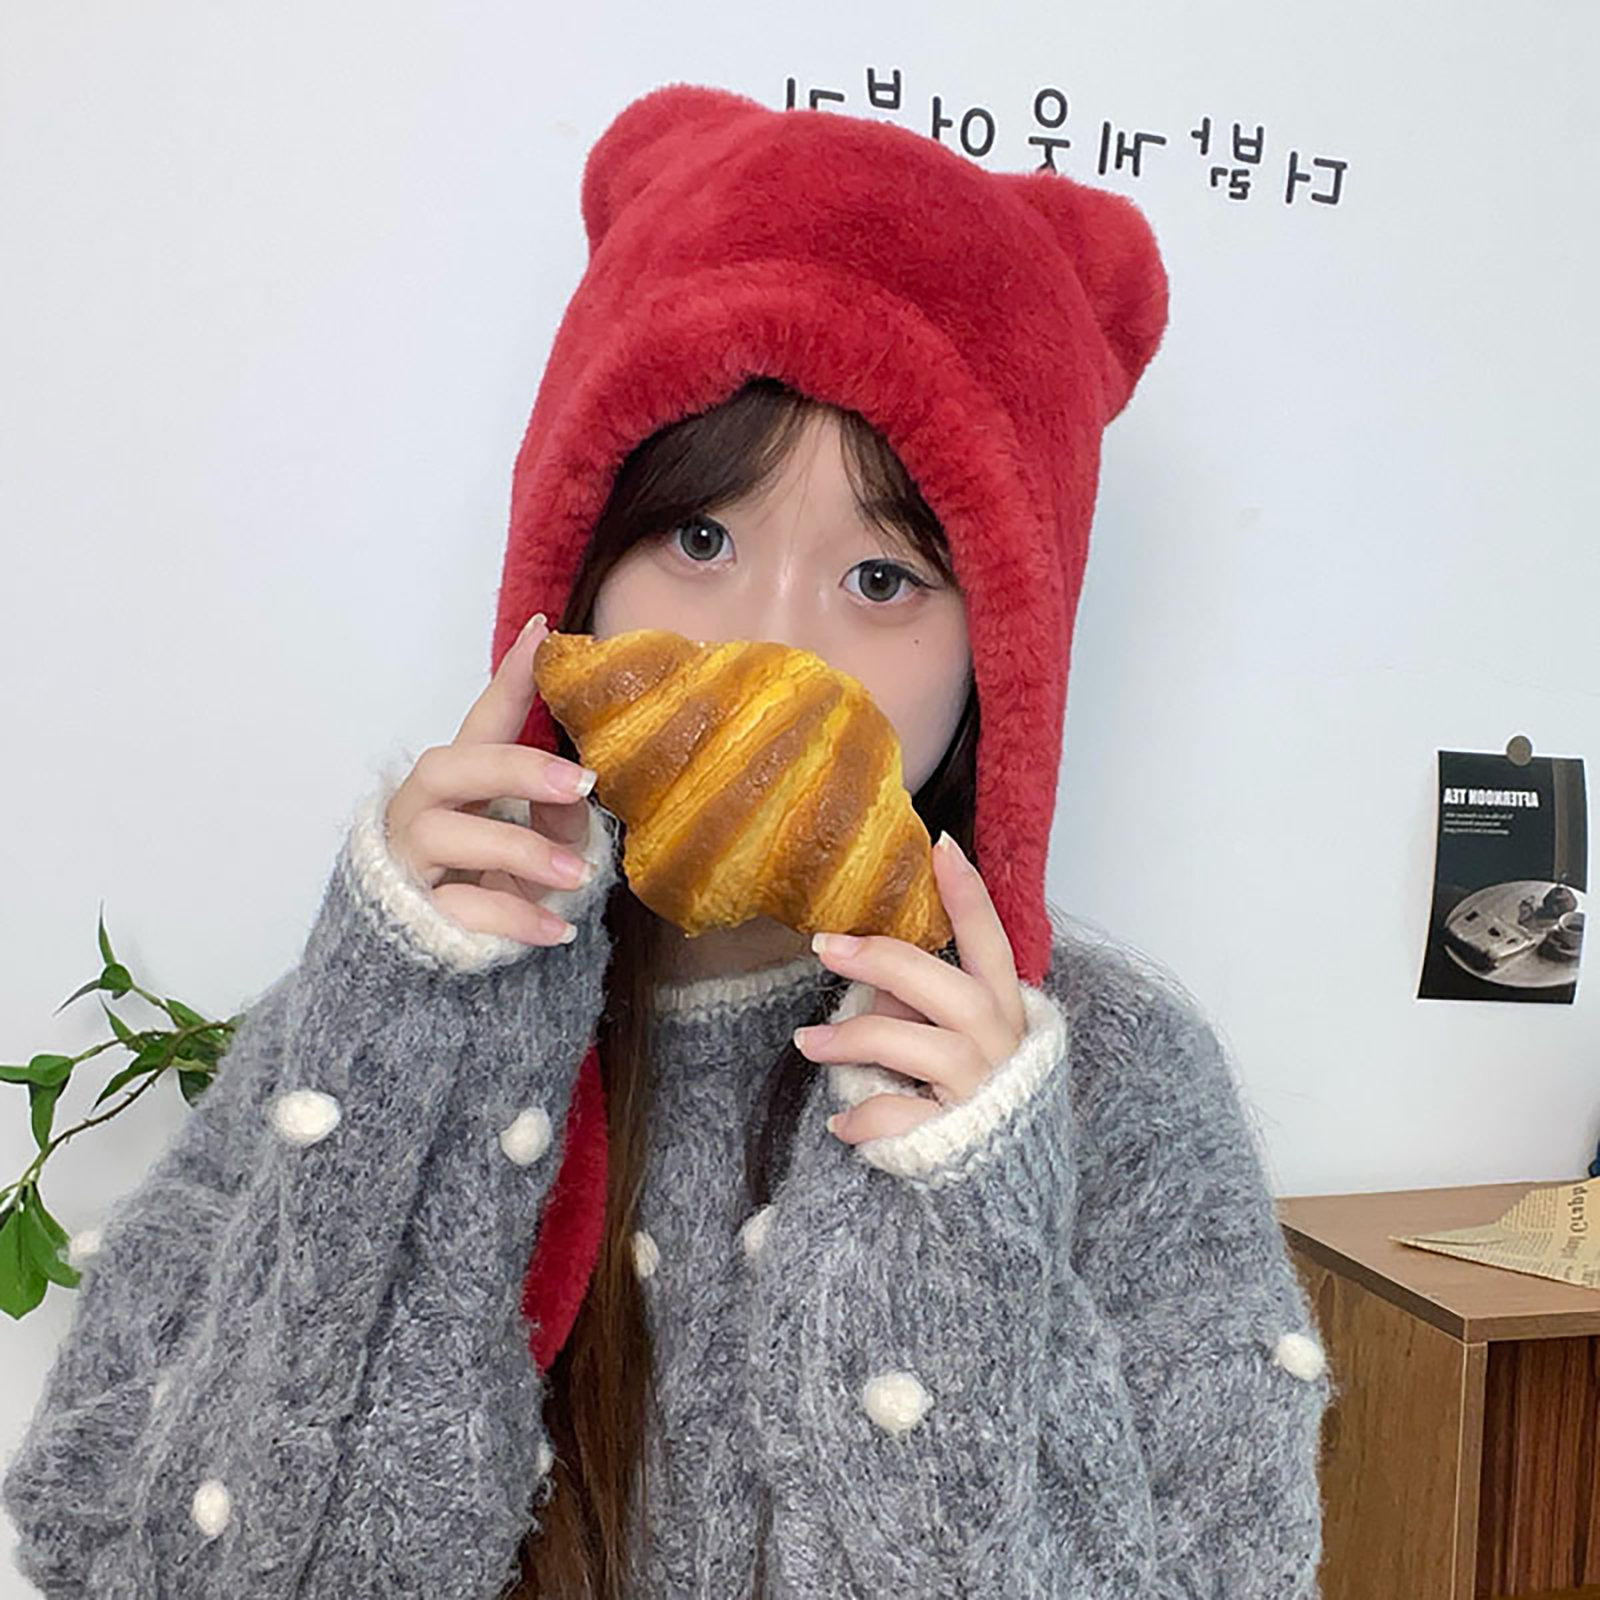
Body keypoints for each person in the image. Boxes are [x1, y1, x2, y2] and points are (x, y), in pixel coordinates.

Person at [1, 83, 1334, 1599]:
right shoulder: (373, 1013)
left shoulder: (1118, 1081)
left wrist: (960, 1229)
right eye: (701, 538)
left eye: (883, 579)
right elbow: (131, 1559)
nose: (774, 648)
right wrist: (409, 1041)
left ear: (1003, 655)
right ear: (577, 563)